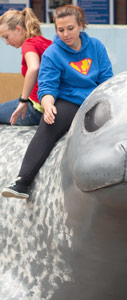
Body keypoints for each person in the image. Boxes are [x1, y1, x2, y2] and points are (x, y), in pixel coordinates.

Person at [1, 4, 113, 199]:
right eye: (60, 30)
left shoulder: (96, 47)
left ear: (80, 26)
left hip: (95, 100)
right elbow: (47, 86)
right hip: (68, 102)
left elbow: (106, 79)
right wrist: (47, 104)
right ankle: (22, 181)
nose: (66, 34)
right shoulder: (53, 53)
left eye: (70, 28)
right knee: (49, 122)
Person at [0, 8, 52, 125]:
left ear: (18, 29)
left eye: (6, 37)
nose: (7, 42)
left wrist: (23, 100)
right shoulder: (45, 41)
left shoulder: (28, 44)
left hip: (37, 110)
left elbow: (34, 68)